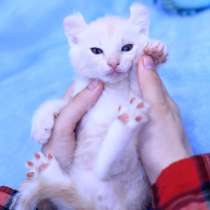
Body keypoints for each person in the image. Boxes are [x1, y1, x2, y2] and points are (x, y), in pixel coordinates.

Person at [0, 55, 209, 210]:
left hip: (103, 185)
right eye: (97, 51)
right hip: (96, 183)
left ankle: (54, 190)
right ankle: (55, 189)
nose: (112, 62)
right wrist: (172, 171)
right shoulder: (86, 83)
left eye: (125, 49)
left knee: (108, 173)